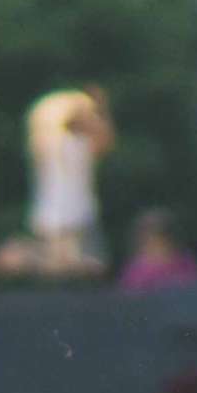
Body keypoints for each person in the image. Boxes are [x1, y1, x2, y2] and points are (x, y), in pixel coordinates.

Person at [23, 89, 115, 280]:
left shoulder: (79, 144)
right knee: (60, 273)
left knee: (86, 272)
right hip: (57, 221)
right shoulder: (53, 142)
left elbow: (103, 141)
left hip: (77, 217)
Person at [116, 209, 197, 293]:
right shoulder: (135, 272)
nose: (156, 244)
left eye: (161, 238)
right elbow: (128, 299)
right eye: (149, 239)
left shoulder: (187, 264)